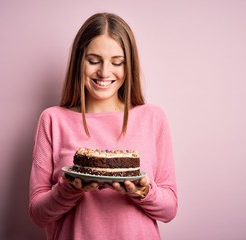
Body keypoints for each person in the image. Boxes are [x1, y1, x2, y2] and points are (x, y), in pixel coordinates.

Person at [29, 12, 177, 240]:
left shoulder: (152, 118)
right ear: (80, 60)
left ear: (129, 67)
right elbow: (38, 215)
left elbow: (169, 210)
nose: (105, 72)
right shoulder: (52, 120)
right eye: (94, 60)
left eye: (117, 62)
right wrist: (68, 190)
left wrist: (144, 191)